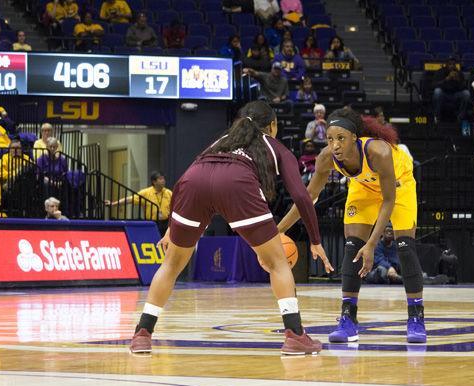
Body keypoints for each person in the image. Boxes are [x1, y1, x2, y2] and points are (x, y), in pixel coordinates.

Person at [128, 101, 333, 355]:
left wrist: (172, 226)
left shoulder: (221, 141)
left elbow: (187, 177)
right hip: (235, 183)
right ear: (273, 125)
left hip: (192, 183)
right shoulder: (274, 144)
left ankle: (142, 334)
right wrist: (315, 239)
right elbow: (302, 196)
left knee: (170, 265)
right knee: (277, 262)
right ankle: (295, 334)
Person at [277, 108, 426, 344]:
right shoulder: (326, 158)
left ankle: (416, 318)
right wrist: (278, 232)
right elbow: (308, 199)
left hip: (399, 187)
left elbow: (388, 201)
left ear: (354, 138)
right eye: (330, 139)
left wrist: (372, 244)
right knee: (351, 246)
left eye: (341, 139)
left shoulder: (379, 151)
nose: (334, 145)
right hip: (364, 189)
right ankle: (348, 319)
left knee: (405, 246)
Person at [108, 171, 173, 235]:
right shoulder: (146, 192)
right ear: (154, 182)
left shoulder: (168, 193)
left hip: (166, 223)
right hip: (152, 223)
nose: (163, 180)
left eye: (163, 178)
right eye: (160, 179)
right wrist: (113, 204)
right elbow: (129, 199)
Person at [432, 57, 471, 124]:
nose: (452, 66)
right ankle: (437, 116)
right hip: (444, 94)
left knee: (466, 94)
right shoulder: (440, 71)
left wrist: (458, 80)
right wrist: (446, 79)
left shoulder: (459, 73)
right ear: (446, 64)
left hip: (455, 94)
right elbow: (434, 85)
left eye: (453, 64)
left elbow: (464, 87)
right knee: (437, 92)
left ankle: (460, 117)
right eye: (450, 64)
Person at [0, 138, 31, 206]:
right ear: (10, 149)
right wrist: (13, 175)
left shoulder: (26, 158)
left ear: (21, 149)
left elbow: (31, 170)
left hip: (23, 185)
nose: (15, 150)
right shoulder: (5, 158)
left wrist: (16, 176)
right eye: (13, 148)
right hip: (7, 184)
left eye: (18, 148)